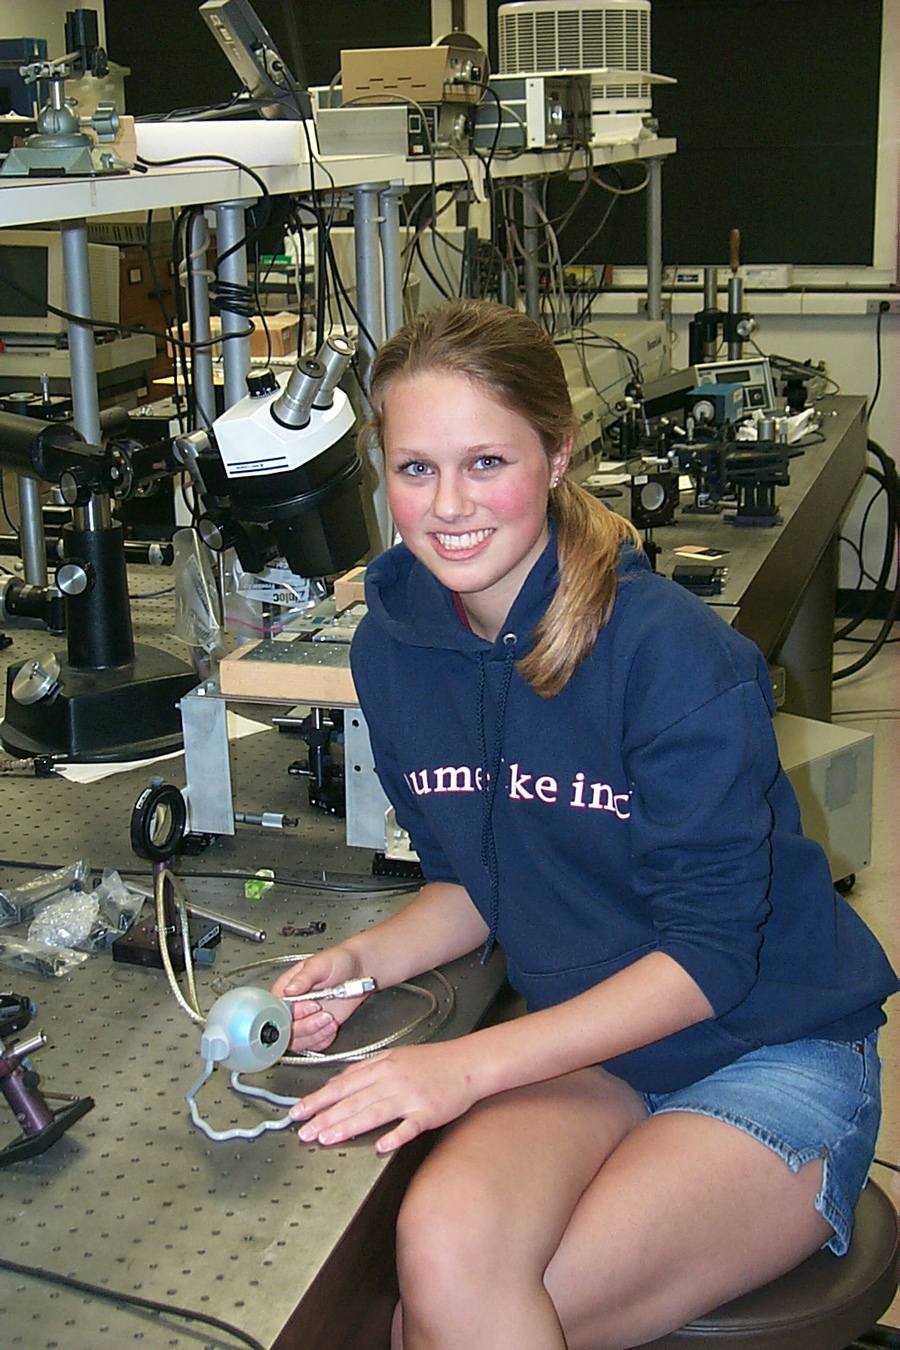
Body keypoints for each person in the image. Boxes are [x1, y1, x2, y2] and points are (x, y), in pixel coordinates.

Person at [272, 299, 896, 1350]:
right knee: (445, 1251)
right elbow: (478, 879)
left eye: (486, 462)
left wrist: (469, 1066)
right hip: (597, 1047)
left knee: (475, 1314)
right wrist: (359, 962)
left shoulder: (671, 657)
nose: (448, 504)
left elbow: (708, 957)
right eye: (415, 468)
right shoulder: (392, 653)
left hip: (771, 1049)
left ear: (558, 456)